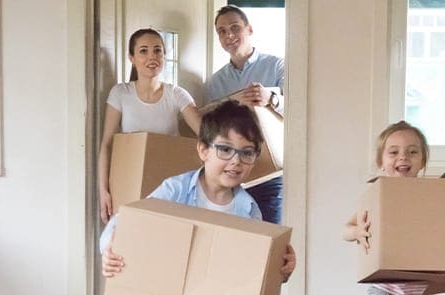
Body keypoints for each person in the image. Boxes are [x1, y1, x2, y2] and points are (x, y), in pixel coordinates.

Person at [100, 100, 296, 283]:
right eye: (225, 150)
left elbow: (257, 270)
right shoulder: (175, 190)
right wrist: (110, 247)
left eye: (247, 153)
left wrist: (283, 269)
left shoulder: (249, 209)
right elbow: (125, 221)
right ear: (203, 150)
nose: (236, 161)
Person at [97, 28, 201, 223]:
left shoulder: (177, 95)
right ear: (132, 57)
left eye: (158, 50)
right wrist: (103, 191)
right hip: (129, 184)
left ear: (165, 55)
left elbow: (206, 138)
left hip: (169, 188)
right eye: (143, 51)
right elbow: (106, 145)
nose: (152, 57)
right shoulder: (120, 93)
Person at [207, 5, 284, 224]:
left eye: (234, 27)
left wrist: (271, 98)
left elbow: (300, 109)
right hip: (233, 172)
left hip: (270, 172)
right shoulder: (216, 82)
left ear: (249, 29)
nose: (228, 35)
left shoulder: (276, 66)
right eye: (222, 31)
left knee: (271, 235)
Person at [342, 120, 430, 295]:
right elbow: (345, 230)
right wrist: (358, 232)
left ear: (422, 161)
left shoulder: (429, 196)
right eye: (393, 152)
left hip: (421, 289)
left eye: (412, 151)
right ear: (381, 162)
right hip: (384, 288)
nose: (403, 157)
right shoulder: (379, 195)